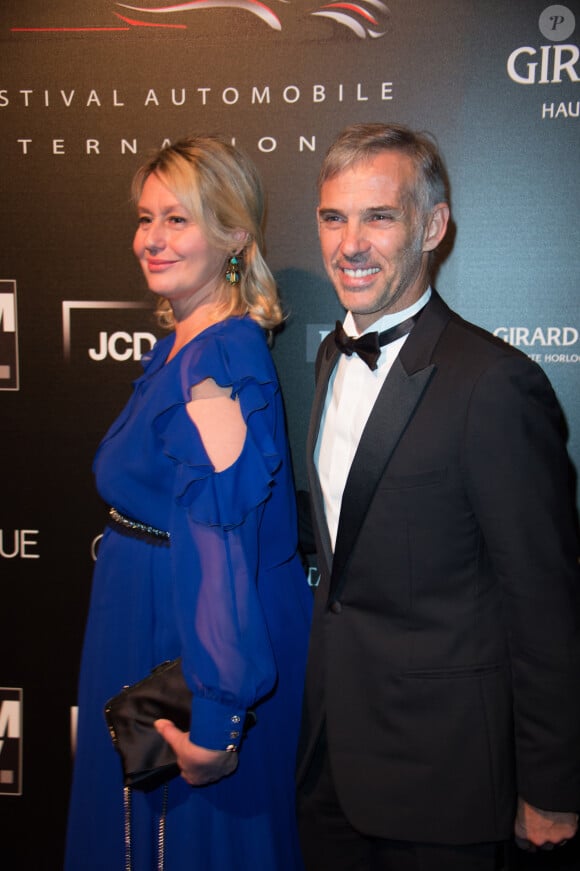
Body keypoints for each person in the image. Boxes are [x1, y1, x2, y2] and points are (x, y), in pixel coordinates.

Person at [296, 122, 580, 871]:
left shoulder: (493, 384)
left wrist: (552, 783)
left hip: (443, 780)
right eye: (334, 216)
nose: (350, 242)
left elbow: (544, 601)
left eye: (378, 216)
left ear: (433, 225)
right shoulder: (329, 357)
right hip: (330, 764)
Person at [65, 135, 312, 871]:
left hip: (190, 640)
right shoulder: (182, 341)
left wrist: (216, 715)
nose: (151, 239)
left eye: (178, 219)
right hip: (153, 620)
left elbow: (223, 535)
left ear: (235, 233)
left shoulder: (218, 362)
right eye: (146, 218)